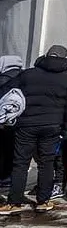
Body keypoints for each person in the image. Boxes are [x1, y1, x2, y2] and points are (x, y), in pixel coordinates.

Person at [0, 45, 67, 215]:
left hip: (26, 125)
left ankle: (14, 202)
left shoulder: (28, 74)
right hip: (52, 126)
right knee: (46, 163)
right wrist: (65, 129)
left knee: (20, 163)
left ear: (46, 55)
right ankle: (43, 201)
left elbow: (7, 91)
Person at [0, 55, 25, 190]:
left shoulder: (3, 79)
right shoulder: (24, 77)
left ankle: (4, 176)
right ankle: (9, 176)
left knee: (3, 149)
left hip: (4, 120)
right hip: (20, 120)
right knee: (14, 151)